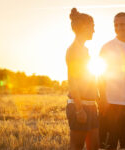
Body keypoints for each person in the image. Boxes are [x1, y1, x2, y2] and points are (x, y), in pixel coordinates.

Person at [66, 8, 99, 150]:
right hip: (80, 106)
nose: (94, 31)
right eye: (92, 27)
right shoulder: (73, 50)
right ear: (85, 27)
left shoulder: (84, 49)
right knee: (77, 147)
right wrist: (79, 109)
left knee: (95, 146)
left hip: (91, 105)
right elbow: (72, 81)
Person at [99, 12, 125, 150]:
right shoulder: (107, 47)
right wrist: (103, 99)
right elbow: (100, 76)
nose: (119, 27)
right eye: (116, 25)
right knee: (109, 146)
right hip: (111, 105)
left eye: (122, 24)